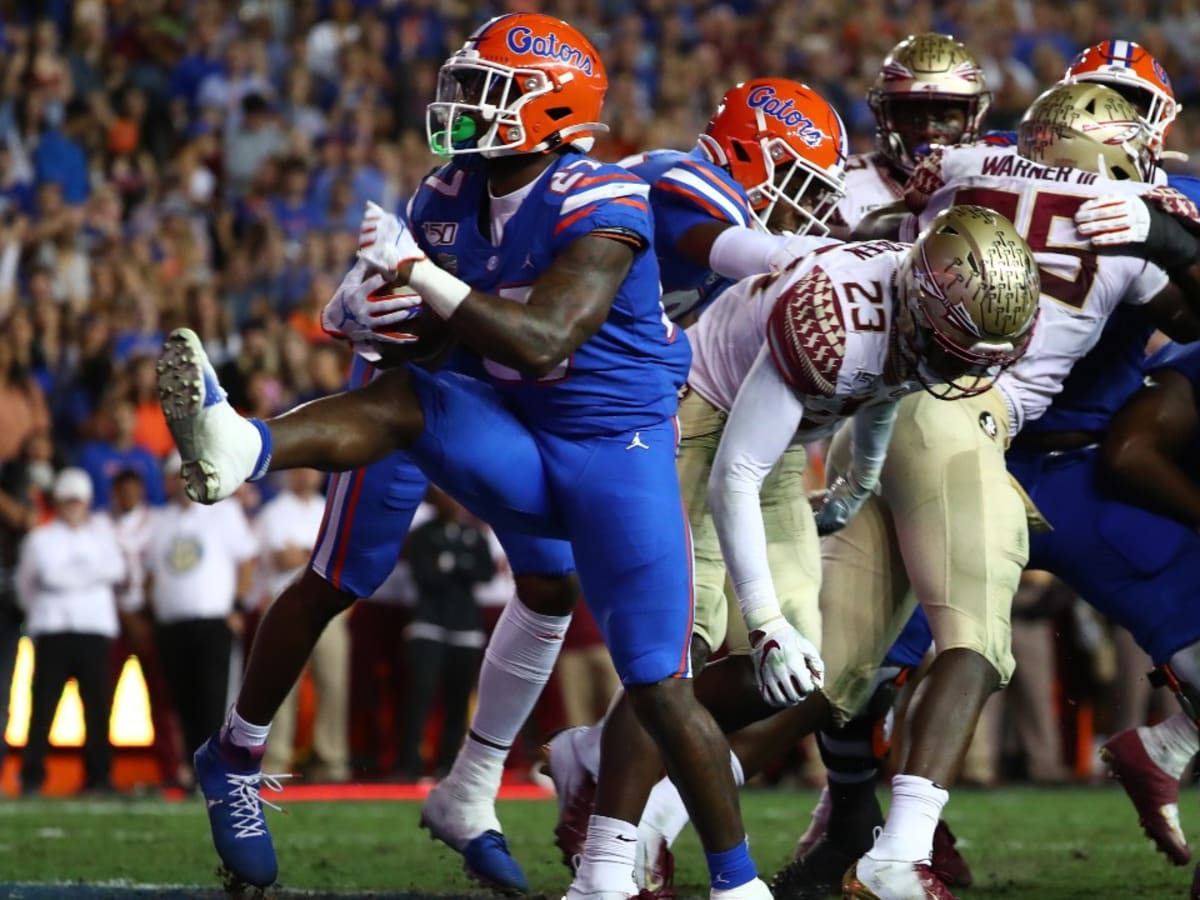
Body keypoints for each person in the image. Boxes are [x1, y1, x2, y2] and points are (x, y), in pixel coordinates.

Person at [160, 13, 774, 898]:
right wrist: (357, 314)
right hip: (503, 419)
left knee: (656, 681)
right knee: (375, 482)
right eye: (463, 84)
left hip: (612, 446)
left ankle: (735, 882)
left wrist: (419, 280)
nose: (461, 106)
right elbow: (429, 340)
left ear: (553, 107)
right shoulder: (446, 197)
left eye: (487, 91)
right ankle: (244, 450)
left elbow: (540, 337)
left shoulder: (602, 194)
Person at [806, 82, 1200, 900]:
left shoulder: (961, 167)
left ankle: (633, 814)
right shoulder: (1137, 209)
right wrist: (1165, 233)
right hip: (995, 443)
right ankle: (880, 839)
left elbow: (882, 228)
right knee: (928, 653)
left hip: (942, 430)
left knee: (837, 663)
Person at [142, 453, 257, 774]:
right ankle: (194, 768)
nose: (179, 482)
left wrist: (237, 607)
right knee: (182, 699)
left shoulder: (224, 512)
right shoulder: (158, 521)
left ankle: (219, 768)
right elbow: (152, 574)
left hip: (213, 620)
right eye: (173, 476)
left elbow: (246, 561)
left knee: (215, 698)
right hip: (172, 624)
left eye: (184, 475)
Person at [16, 468, 125, 795]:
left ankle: (99, 777)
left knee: (97, 709)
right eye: (68, 500)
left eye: (78, 500)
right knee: (43, 709)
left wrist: (68, 577)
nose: (74, 506)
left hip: (93, 632)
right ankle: (32, 777)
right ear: (58, 502)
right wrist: (91, 575)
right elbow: (38, 580)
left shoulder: (102, 536)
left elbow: (116, 570)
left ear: (87, 502)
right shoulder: (41, 538)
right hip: (53, 630)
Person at [256, 468, 350, 783]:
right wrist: (319, 554)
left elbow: (342, 558)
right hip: (286, 604)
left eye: (312, 469)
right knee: (281, 686)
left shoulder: (328, 507)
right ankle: (275, 761)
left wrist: (306, 553)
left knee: (334, 685)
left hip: (330, 609)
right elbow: (284, 558)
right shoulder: (275, 511)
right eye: (301, 469)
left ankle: (331, 760)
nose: (306, 474)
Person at [399, 487, 494, 781]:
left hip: (465, 627)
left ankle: (447, 764)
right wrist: (459, 567)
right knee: (421, 694)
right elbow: (423, 573)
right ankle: (410, 763)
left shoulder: (474, 535)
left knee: (458, 698)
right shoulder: (424, 534)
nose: (451, 501)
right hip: (429, 624)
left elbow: (485, 572)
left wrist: (450, 565)